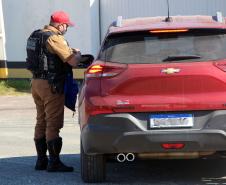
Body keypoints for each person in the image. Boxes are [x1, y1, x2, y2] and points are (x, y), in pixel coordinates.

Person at [26, 11, 80, 172]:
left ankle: (41, 161)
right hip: (51, 85)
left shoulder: (34, 35)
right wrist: (77, 53)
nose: (66, 28)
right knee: (53, 123)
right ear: (61, 25)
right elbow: (73, 61)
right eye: (66, 26)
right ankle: (54, 162)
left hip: (35, 82)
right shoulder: (54, 37)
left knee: (41, 120)